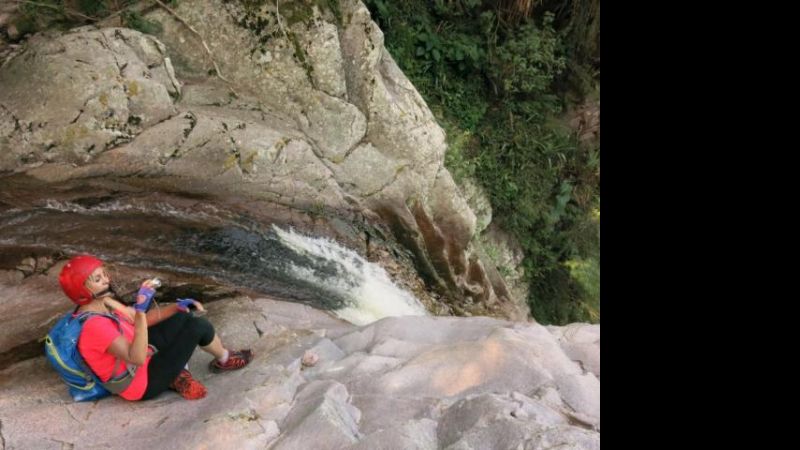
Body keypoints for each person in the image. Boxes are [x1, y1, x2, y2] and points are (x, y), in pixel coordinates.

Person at [58, 254, 253, 401]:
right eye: (98, 279)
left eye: (104, 275)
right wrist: (141, 312)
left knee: (183, 317)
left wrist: (176, 307)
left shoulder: (104, 303)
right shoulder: (94, 326)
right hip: (139, 384)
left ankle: (177, 374)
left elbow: (139, 321)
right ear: (82, 290)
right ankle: (224, 360)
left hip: (138, 359)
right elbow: (137, 356)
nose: (107, 280)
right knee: (197, 326)